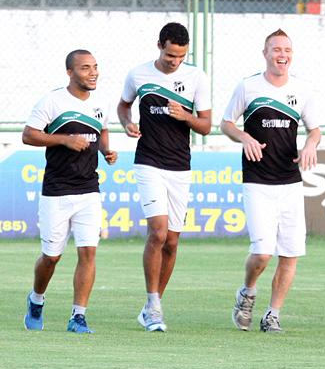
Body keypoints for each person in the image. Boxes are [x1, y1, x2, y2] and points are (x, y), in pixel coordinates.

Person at [223, 29, 320, 334]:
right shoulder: (248, 86)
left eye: (287, 50)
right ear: (265, 53)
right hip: (257, 181)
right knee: (263, 252)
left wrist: (309, 145)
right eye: (276, 49)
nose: (282, 55)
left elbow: (314, 130)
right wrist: (244, 136)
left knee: (290, 253)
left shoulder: (302, 89)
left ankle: (272, 315)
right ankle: (247, 292)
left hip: (290, 181)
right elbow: (226, 123)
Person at [118, 22, 212, 332]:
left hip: (180, 166)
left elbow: (206, 126)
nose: (175, 62)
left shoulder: (197, 77)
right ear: (159, 45)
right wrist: (127, 123)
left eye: (181, 57)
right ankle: (154, 306)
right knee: (157, 233)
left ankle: (151, 305)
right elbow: (123, 106)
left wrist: (185, 116)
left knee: (172, 241)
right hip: (148, 161)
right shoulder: (139, 74)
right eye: (171, 55)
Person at [22, 50, 117, 334]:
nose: (93, 72)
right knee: (51, 257)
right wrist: (64, 139)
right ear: (70, 73)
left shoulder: (102, 102)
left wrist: (106, 151)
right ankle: (36, 300)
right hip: (57, 191)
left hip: (89, 189)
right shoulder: (52, 101)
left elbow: (101, 132)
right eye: (86, 68)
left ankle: (78, 316)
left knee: (88, 252)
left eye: (96, 67)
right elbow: (28, 135)